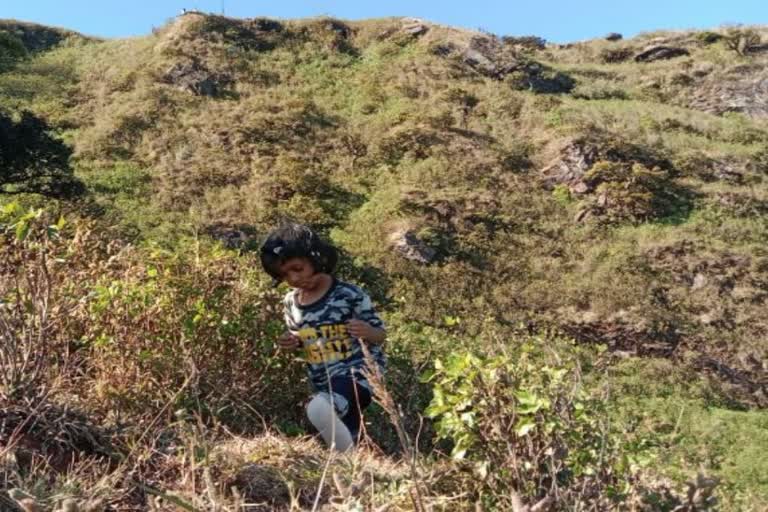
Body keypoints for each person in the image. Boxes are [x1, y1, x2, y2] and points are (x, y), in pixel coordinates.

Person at [260, 223, 387, 451]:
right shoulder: (291, 302)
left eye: (297, 268)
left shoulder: (349, 295)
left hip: (359, 374)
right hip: (323, 381)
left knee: (318, 410)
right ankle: (356, 475)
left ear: (316, 258)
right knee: (349, 433)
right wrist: (293, 342)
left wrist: (367, 331)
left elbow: (380, 334)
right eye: (285, 274)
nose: (294, 278)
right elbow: (299, 336)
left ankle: (347, 466)